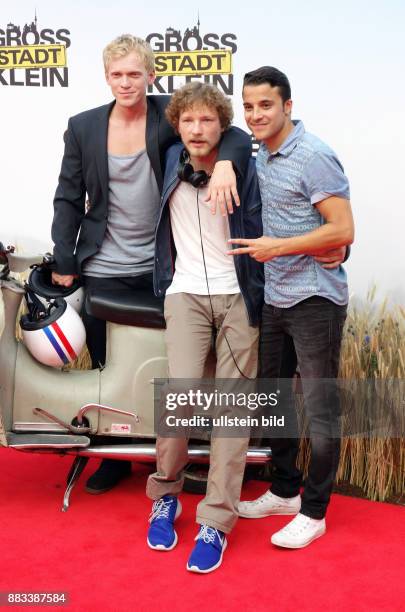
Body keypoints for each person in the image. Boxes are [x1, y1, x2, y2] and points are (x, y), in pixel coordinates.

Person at [50, 35, 252, 494]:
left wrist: (226, 167)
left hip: (163, 263)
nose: (126, 82)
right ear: (106, 77)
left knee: (170, 364)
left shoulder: (169, 116)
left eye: (134, 74)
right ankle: (114, 454)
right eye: (117, 75)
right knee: (107, 366)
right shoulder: (82, 127)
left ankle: (179, 450)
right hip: (102, 263)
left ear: (151, 76)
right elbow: (68, 195)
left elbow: (234, 133)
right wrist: (65, 257)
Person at [229, 66, 354, 549]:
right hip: (275, 298)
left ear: (287, 107)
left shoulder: (314, 156)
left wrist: (277, 248)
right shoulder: (258, 151)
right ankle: (283, 491)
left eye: (265, 104)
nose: (256, 114)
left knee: (321, 409)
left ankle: (315, 511)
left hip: (315, 298)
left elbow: (342, 229)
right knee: (274, 399)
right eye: (249, 105)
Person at [145, 82, 263, 573]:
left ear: (222, 126)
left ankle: (215, 519)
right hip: (186, 292)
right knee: (182, 394)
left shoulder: (242, 160)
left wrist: (229, 161)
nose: (197, 129)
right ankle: (166, 495)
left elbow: (241, 140)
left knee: (231, 408)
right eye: (188, 120)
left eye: (207, 120)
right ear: (177, 124)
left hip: (237, 296)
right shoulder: (170, 157)